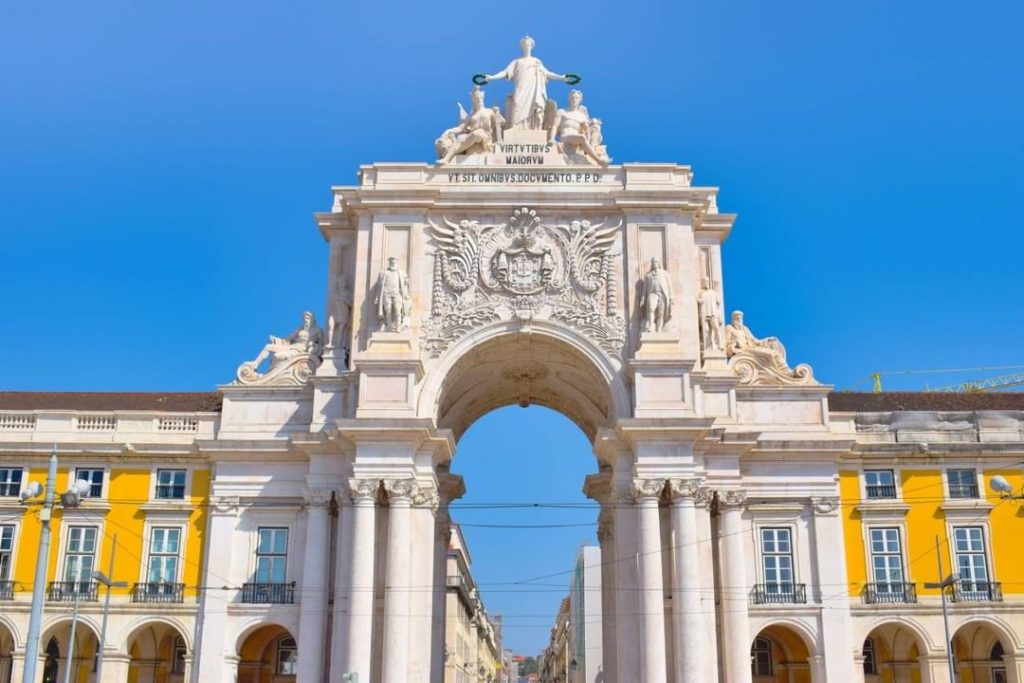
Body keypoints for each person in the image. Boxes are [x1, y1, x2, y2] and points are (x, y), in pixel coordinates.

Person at [480, 36, 573, 130]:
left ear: (532, 46)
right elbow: (505, 72)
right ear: (522, 46)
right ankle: (515, 128)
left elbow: (548, 73)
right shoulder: (516, 62)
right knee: (517, 104)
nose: (527, 46)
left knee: (534, 107)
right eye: (525, 44)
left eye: (529, 44)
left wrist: (561, 78)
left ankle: (533, 129)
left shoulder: (536, 61)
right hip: (521, 87)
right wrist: (492, 77)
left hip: (533, 89)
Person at [436, 87, 504, 164]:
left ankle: (459, 150)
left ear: (482, 98)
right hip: (473, 134)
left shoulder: (489, 111)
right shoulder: (471, 115)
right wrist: (448, 130)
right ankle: (446, 159)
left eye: (480, 98)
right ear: (473, 100)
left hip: (485, 135)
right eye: (476, 98)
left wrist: (498, 114)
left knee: (475, 134)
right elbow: (461, 128)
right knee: (460, 138)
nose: (479, 100)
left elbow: (501, 123)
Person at [550, 90, 609, 166]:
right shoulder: (562, 111)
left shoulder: (581, 116)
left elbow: (586, 128)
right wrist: (551, 139)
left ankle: (592, 151)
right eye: (572, 97)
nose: (574, 99)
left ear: (580, 100)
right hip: (565, 137)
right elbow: (555, 126)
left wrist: (593, 122)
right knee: (582, 138)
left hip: (577, 140)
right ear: (569, 99)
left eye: (576, 98)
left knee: (594, 129)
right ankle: (598, 160)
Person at [248, 311, 324, 370]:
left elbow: (322, 345)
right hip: (292, 347)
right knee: (268, 346)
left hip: (301, 350)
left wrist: (314, 347)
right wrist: (276, 340)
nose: (305, 320)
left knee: (277, 356)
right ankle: (255, 364)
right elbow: (287, 340)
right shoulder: (299, 329)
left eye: (307, 318)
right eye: (304, 318)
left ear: (312, 319)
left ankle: (273, 372)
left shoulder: (317, 330)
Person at [376, 257, 410, 332]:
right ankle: (389, 328)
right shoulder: (384, 273)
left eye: (394, 262)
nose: (393, 263)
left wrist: (406, 294)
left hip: (397, 294)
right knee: (388, 311)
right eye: (391, 262)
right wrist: (377, 297)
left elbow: (404, 286)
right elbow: (380, 286)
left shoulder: (401, 273)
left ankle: (398, 327)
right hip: (386, 294)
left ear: (396, 263)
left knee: (398, 310)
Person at [640, 258, 672, 332]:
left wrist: (671, 298)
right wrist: (643, 298)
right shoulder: (648, 276)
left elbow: (669, 287)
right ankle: (651, 326)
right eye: (653, 262)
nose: (655, 263)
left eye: (656, 261)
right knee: (651, 309)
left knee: (661, 313)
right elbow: (645, 288)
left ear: (658, 263)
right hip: (652, 294)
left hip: (662, 295)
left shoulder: (664, 273)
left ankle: (659, 329)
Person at [696, 278, 723, 351]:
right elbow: (700, 301)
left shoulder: (713, 292)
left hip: (713, 313)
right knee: (707, 330)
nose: (706, 283)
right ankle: (709, 346)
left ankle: (719, 344)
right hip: (705, 314)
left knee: (716, 328)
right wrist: (697, 299)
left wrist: (719, 315)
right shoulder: (701, 293)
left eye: (707, 281)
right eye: (705, 282)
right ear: (702, 283)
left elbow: (718, 303)